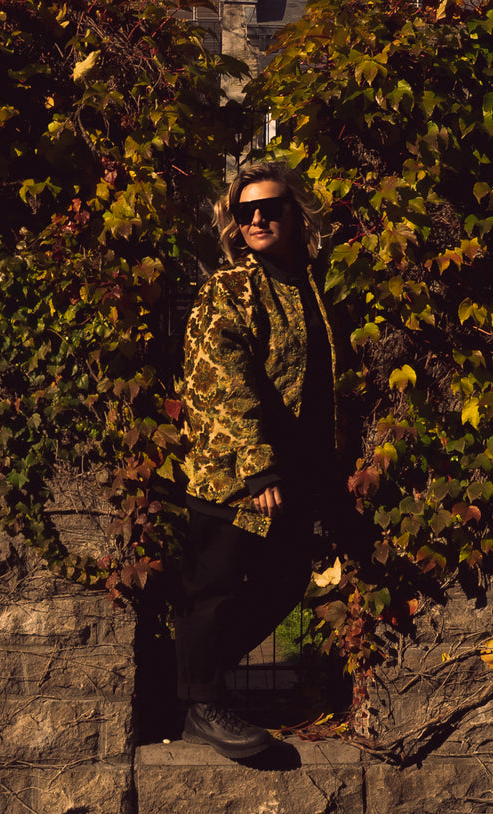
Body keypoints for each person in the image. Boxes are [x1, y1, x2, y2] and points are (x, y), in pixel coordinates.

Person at [173, 161, 340, 759]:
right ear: (233, 223)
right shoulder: (230, 287)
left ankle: (200, 682)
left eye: (270, 208)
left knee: (286, 580)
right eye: (245, 212)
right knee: (215, 587)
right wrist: (257, 466)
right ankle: (201, 704)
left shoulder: (310, 286)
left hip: (291, 477)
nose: (258, 219)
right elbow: (222, 378)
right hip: (233, 477)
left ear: (296, 214)